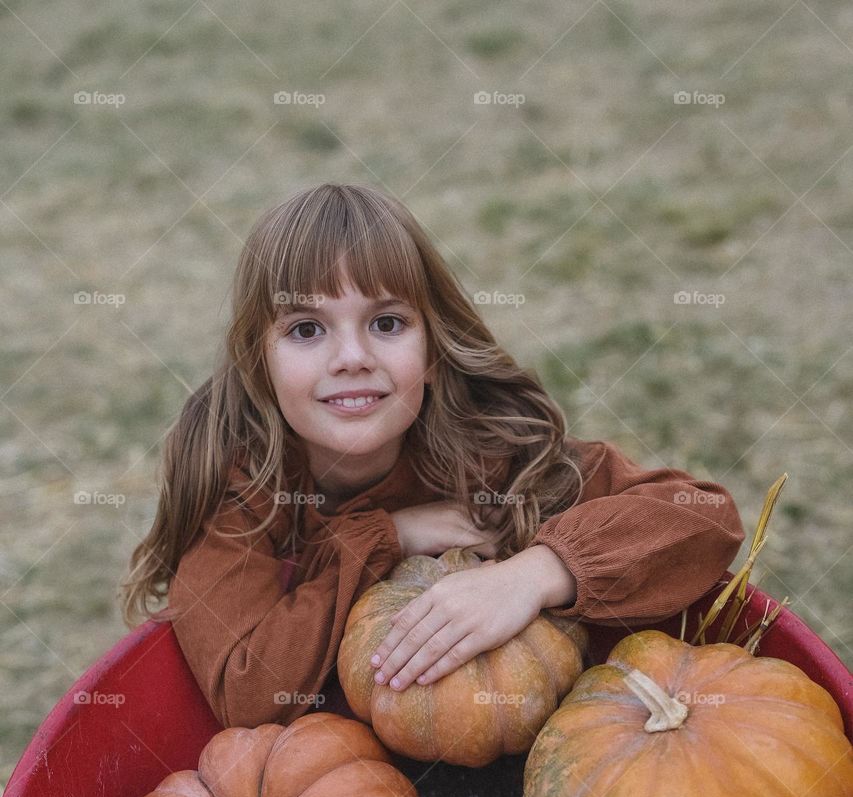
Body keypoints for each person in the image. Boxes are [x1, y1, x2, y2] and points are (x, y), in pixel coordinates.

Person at [120, 182, 745, 730]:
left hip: (514, 745)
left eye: (386, 323)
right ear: (259, 357)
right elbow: (247, 688)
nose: (351, 357)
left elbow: (705, 518)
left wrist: (532, 575)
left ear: (435, 345)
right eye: (306, 329)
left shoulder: (487, 457)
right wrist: (385, 536)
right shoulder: (239, 483)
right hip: (322, 785)